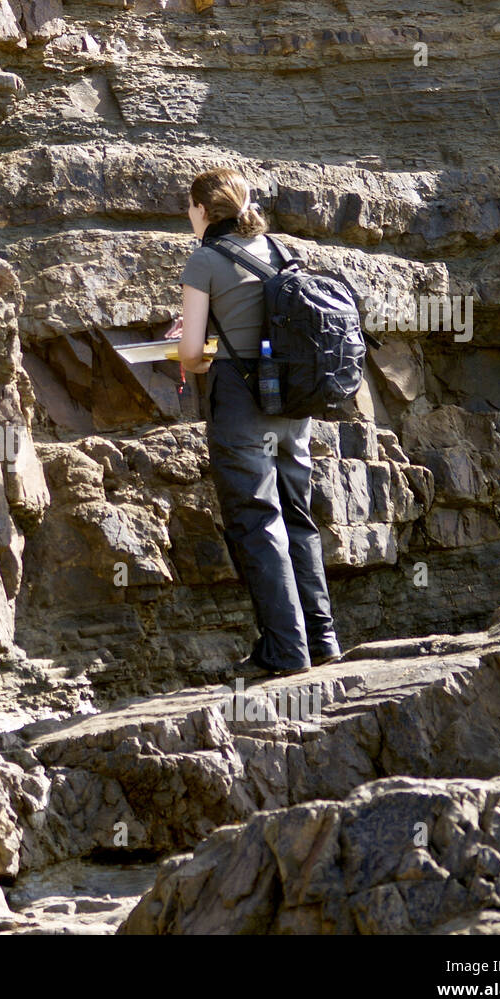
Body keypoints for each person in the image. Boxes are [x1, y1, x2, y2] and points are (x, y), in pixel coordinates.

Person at [164, 167, 341, 677]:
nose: (189, 217)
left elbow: (194, 355)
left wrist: (189, 348)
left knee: (258, 522)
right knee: (297, 519)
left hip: (242, 407)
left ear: (202, 211)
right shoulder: (280, 250)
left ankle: (285, 651)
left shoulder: (205, 261)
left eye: (190, 209)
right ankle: (322, 639)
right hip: (290, 408)